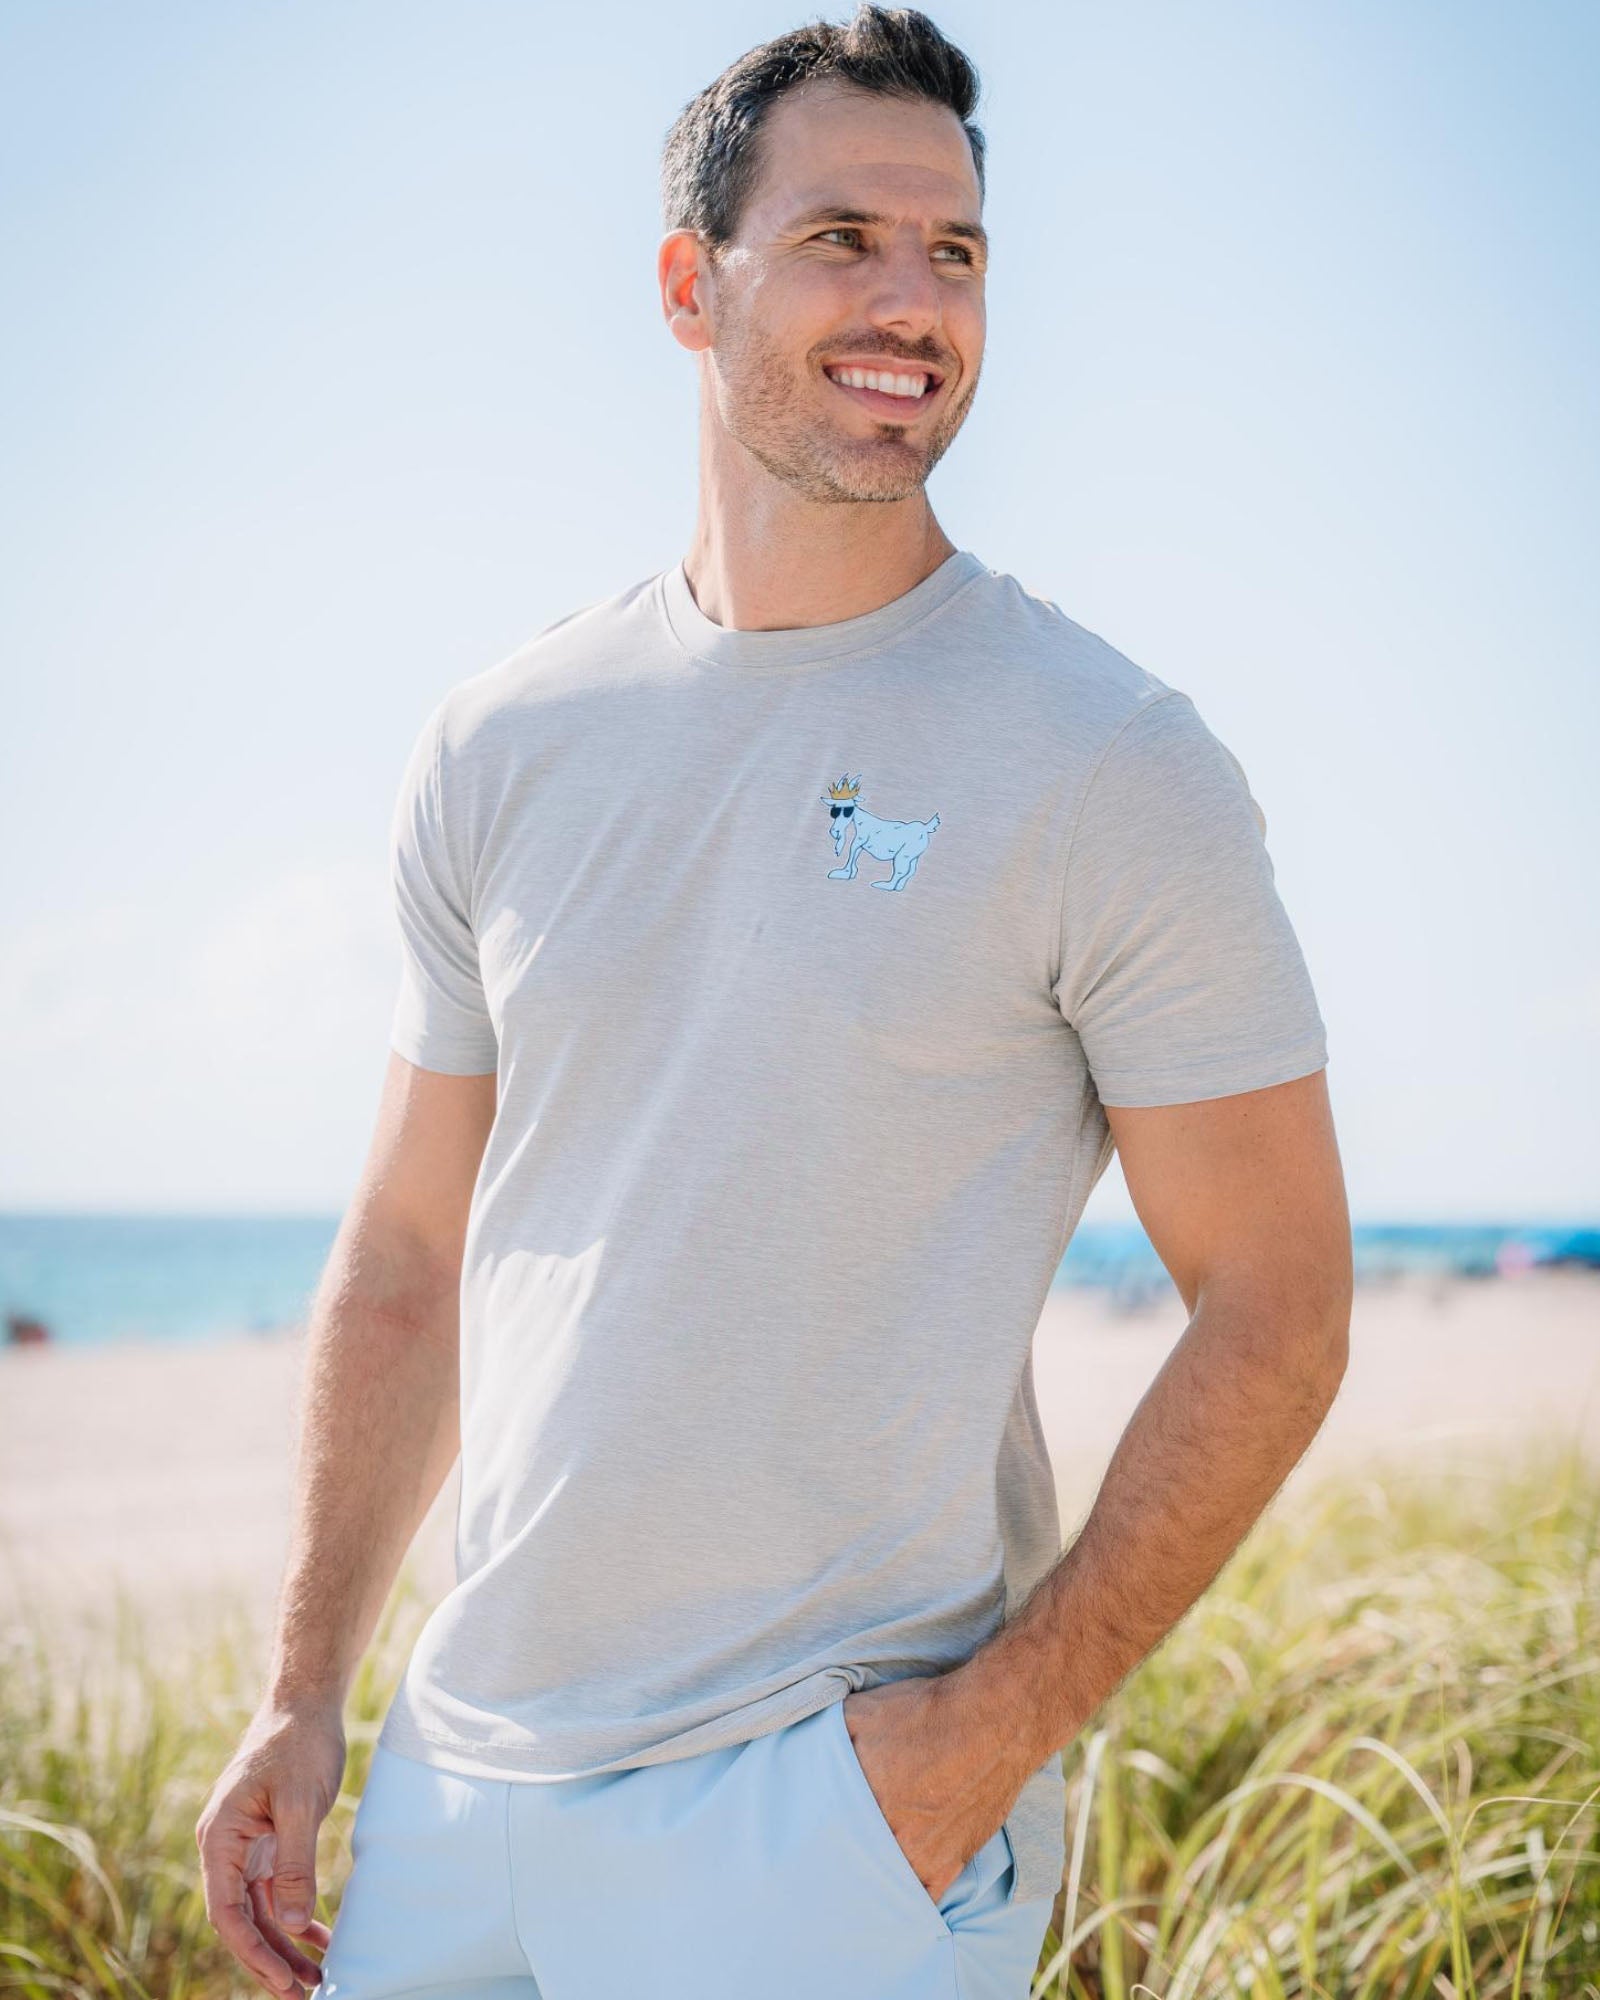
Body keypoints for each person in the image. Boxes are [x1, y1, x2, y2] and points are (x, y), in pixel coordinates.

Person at [195, 7, 1353, 1996]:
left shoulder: (1104, 756)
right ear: (685, 282)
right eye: (841, 239)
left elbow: (1281, 1302)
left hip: (821, 1814)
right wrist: (303, 1689)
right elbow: (407, 1244)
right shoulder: (502, 738)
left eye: (956, 253)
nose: (914, 301)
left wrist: (970, 1747)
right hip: (461, 1783)